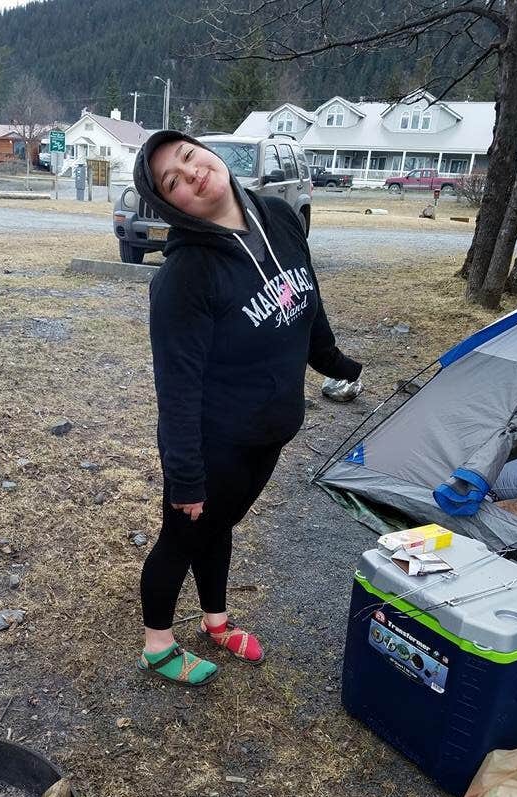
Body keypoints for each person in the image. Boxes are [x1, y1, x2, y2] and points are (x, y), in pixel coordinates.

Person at [133, 131, 362, 688]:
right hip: (213, 443)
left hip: (268, 432)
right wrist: (185, 476)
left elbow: (306, 296)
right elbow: (177, 386)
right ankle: (157, 644)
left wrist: (331, 359)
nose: (191, 175)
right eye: (173, 182)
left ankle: (215, 621)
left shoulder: (279, 217)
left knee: (222, 526)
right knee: (183, 537)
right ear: (169, 204)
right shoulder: (183, 278)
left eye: (189, 158)